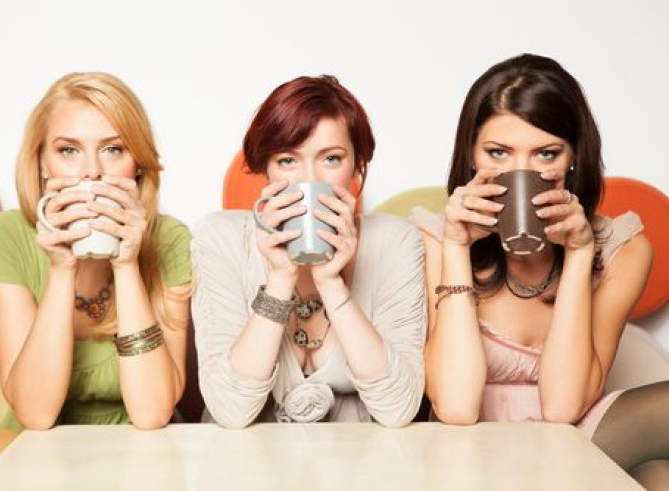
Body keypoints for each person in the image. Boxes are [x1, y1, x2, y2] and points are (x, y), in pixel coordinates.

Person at [413, 53, 668, 488]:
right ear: (472, 156)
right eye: (498, 152)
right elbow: (455, 407)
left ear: (572, 159)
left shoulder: (623, 250)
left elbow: (564, 407)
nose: (521, 172)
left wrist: (580, 252)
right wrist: (457, 246)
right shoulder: (436, 239)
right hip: (468, 451)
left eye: (545, 154)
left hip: (575, 444)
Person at [0, 72, 191, 489]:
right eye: (68, 150)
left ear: (138, 166)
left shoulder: (171, 241)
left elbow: (152, 413)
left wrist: (125, 266)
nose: (91, 172)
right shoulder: (5, 237)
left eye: (113, 149)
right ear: (41, 165)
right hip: (36, 460)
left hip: (142, 462)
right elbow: (35, 414)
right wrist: (61, 269)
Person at [192, 75, 425, 428]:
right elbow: (230, 411)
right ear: (266, 169)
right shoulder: (220, 238)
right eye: (288, 161)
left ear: (356, 167)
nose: (308, 180)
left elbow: (398, 409)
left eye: (331, 159)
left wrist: (331, 283)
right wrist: (281, 276)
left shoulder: (395, 241)